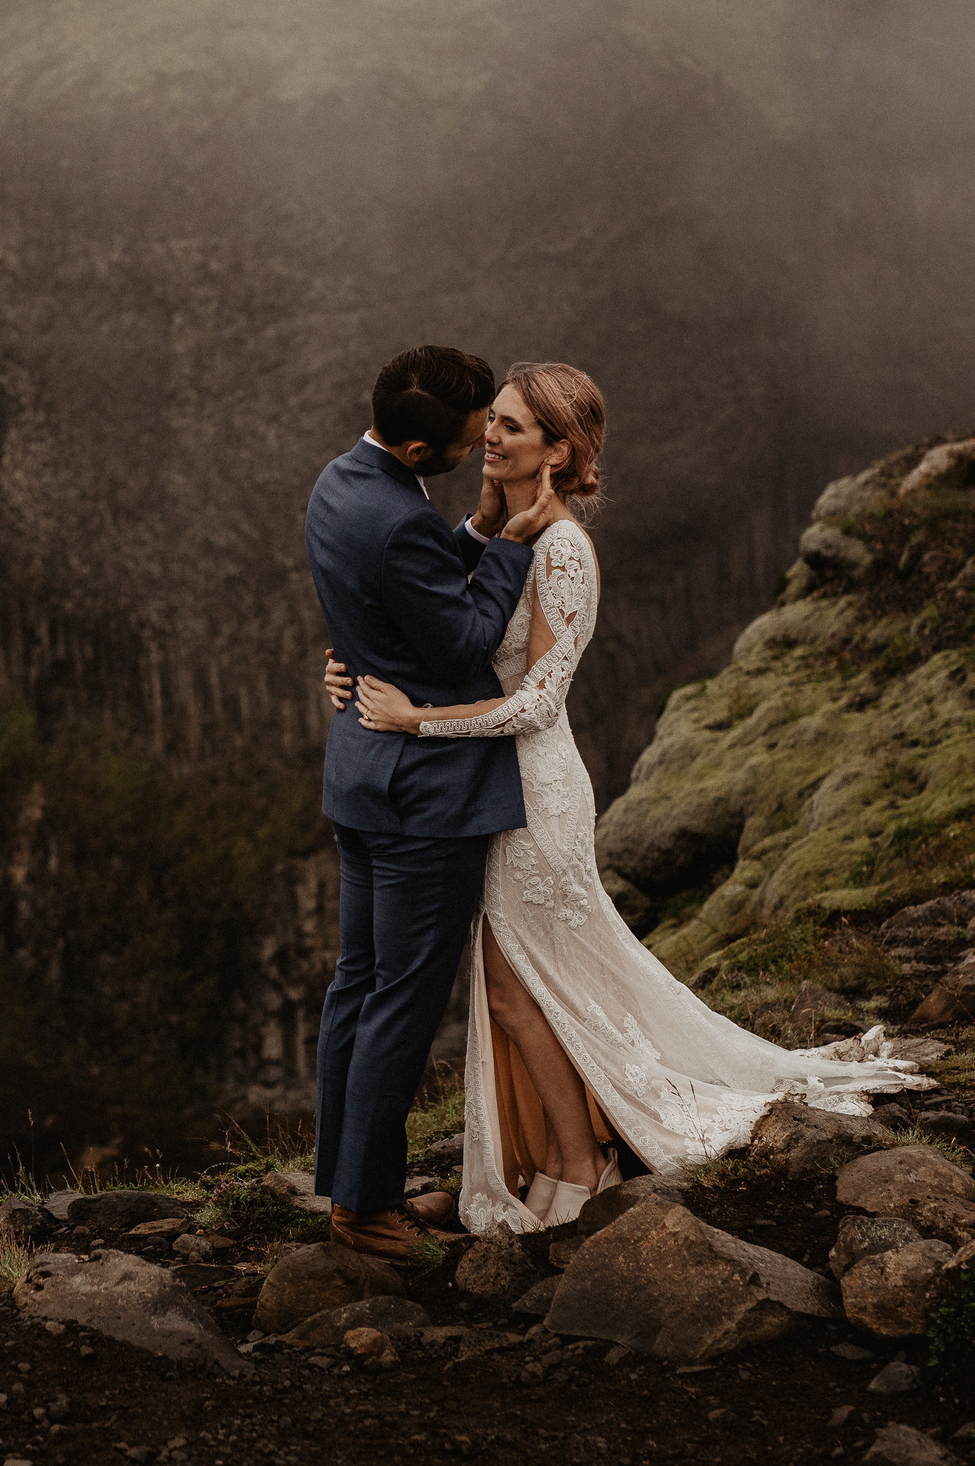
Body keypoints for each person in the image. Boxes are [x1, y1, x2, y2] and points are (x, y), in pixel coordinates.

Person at [325, 360, 924, 1234]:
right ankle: (566, 1154)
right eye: (489, 420)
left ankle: (579, 1162)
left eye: (513, 427)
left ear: (559, 451)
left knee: (513, 991)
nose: (489, 436)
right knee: (518, 991)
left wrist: (420, 723)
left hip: (530, 788)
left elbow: (537, 701)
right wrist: (355, 659)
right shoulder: (504, 532)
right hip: (485, 790)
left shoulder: (562, 549)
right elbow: (424, 611)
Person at [302, 345, 562, 1264]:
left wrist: (472, 529)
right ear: (418, 448)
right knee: (402, 1000)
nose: (483, 440)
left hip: (361, 774)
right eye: (469, 435)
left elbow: (391, 591)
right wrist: (509, 544)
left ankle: (345, 1179)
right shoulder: (399, 516)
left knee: (357, 983)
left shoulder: (340, 482)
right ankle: (364, 1207)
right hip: (423, 794)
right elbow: (458, 637)